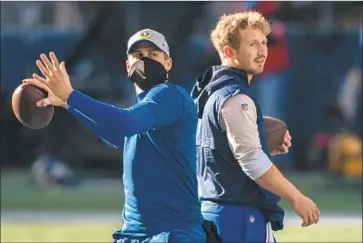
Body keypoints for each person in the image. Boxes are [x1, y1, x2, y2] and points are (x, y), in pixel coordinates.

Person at [23, 29, 221, 243]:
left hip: (173, 234)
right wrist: (67, 103)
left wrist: (71, 96)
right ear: (128, 65)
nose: (144, 60)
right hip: (133, 234)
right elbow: (115, 132)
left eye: (153, 54)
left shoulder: (170, 95)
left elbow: (124, 124)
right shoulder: (141, 113)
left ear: (168, 63)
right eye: (138, 55)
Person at [191, 11, 320, 242]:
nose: (262, 52)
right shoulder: (236, 98)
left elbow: (221, 152)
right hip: (238, 217)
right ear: (229, 51)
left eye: (264, 43)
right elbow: (252, 161)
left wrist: (260, 139)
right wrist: (296, 197)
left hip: (215, 211)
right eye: (253, 44)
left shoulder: (209, 90)